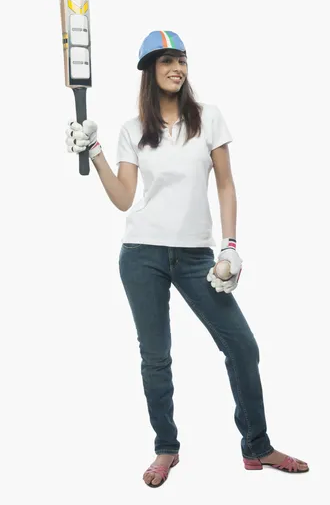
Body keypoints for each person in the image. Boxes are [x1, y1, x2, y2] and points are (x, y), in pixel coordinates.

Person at [65, 30, 309, 487]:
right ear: (148, 72)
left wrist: (230, 248)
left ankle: (257, 446)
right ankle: (166, 447)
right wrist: (93, 151)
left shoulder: (208, 119)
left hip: (198, 255)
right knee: (156, 358)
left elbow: (226, 185)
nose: (177, 68)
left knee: (242, 345)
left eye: (181, 60)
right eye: (166, 62)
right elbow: (123, 199)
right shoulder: (133, 130)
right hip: (142, 254)